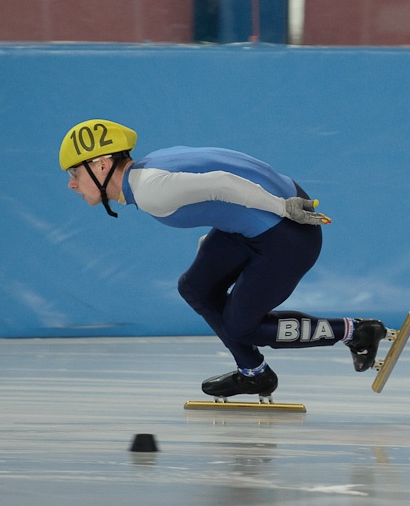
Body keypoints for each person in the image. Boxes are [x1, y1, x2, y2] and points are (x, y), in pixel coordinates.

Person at [59, 119, 388, 399]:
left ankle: (355, 331)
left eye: (75, 173)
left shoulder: (149, 191)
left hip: (286, 230)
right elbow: (227, 165)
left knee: (243, 327)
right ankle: (254, 372)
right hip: (262, 219)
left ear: (101, 164)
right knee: (196, 287)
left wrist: (281, 207)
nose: (72, 185)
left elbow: (223, 182)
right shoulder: (150, 166)